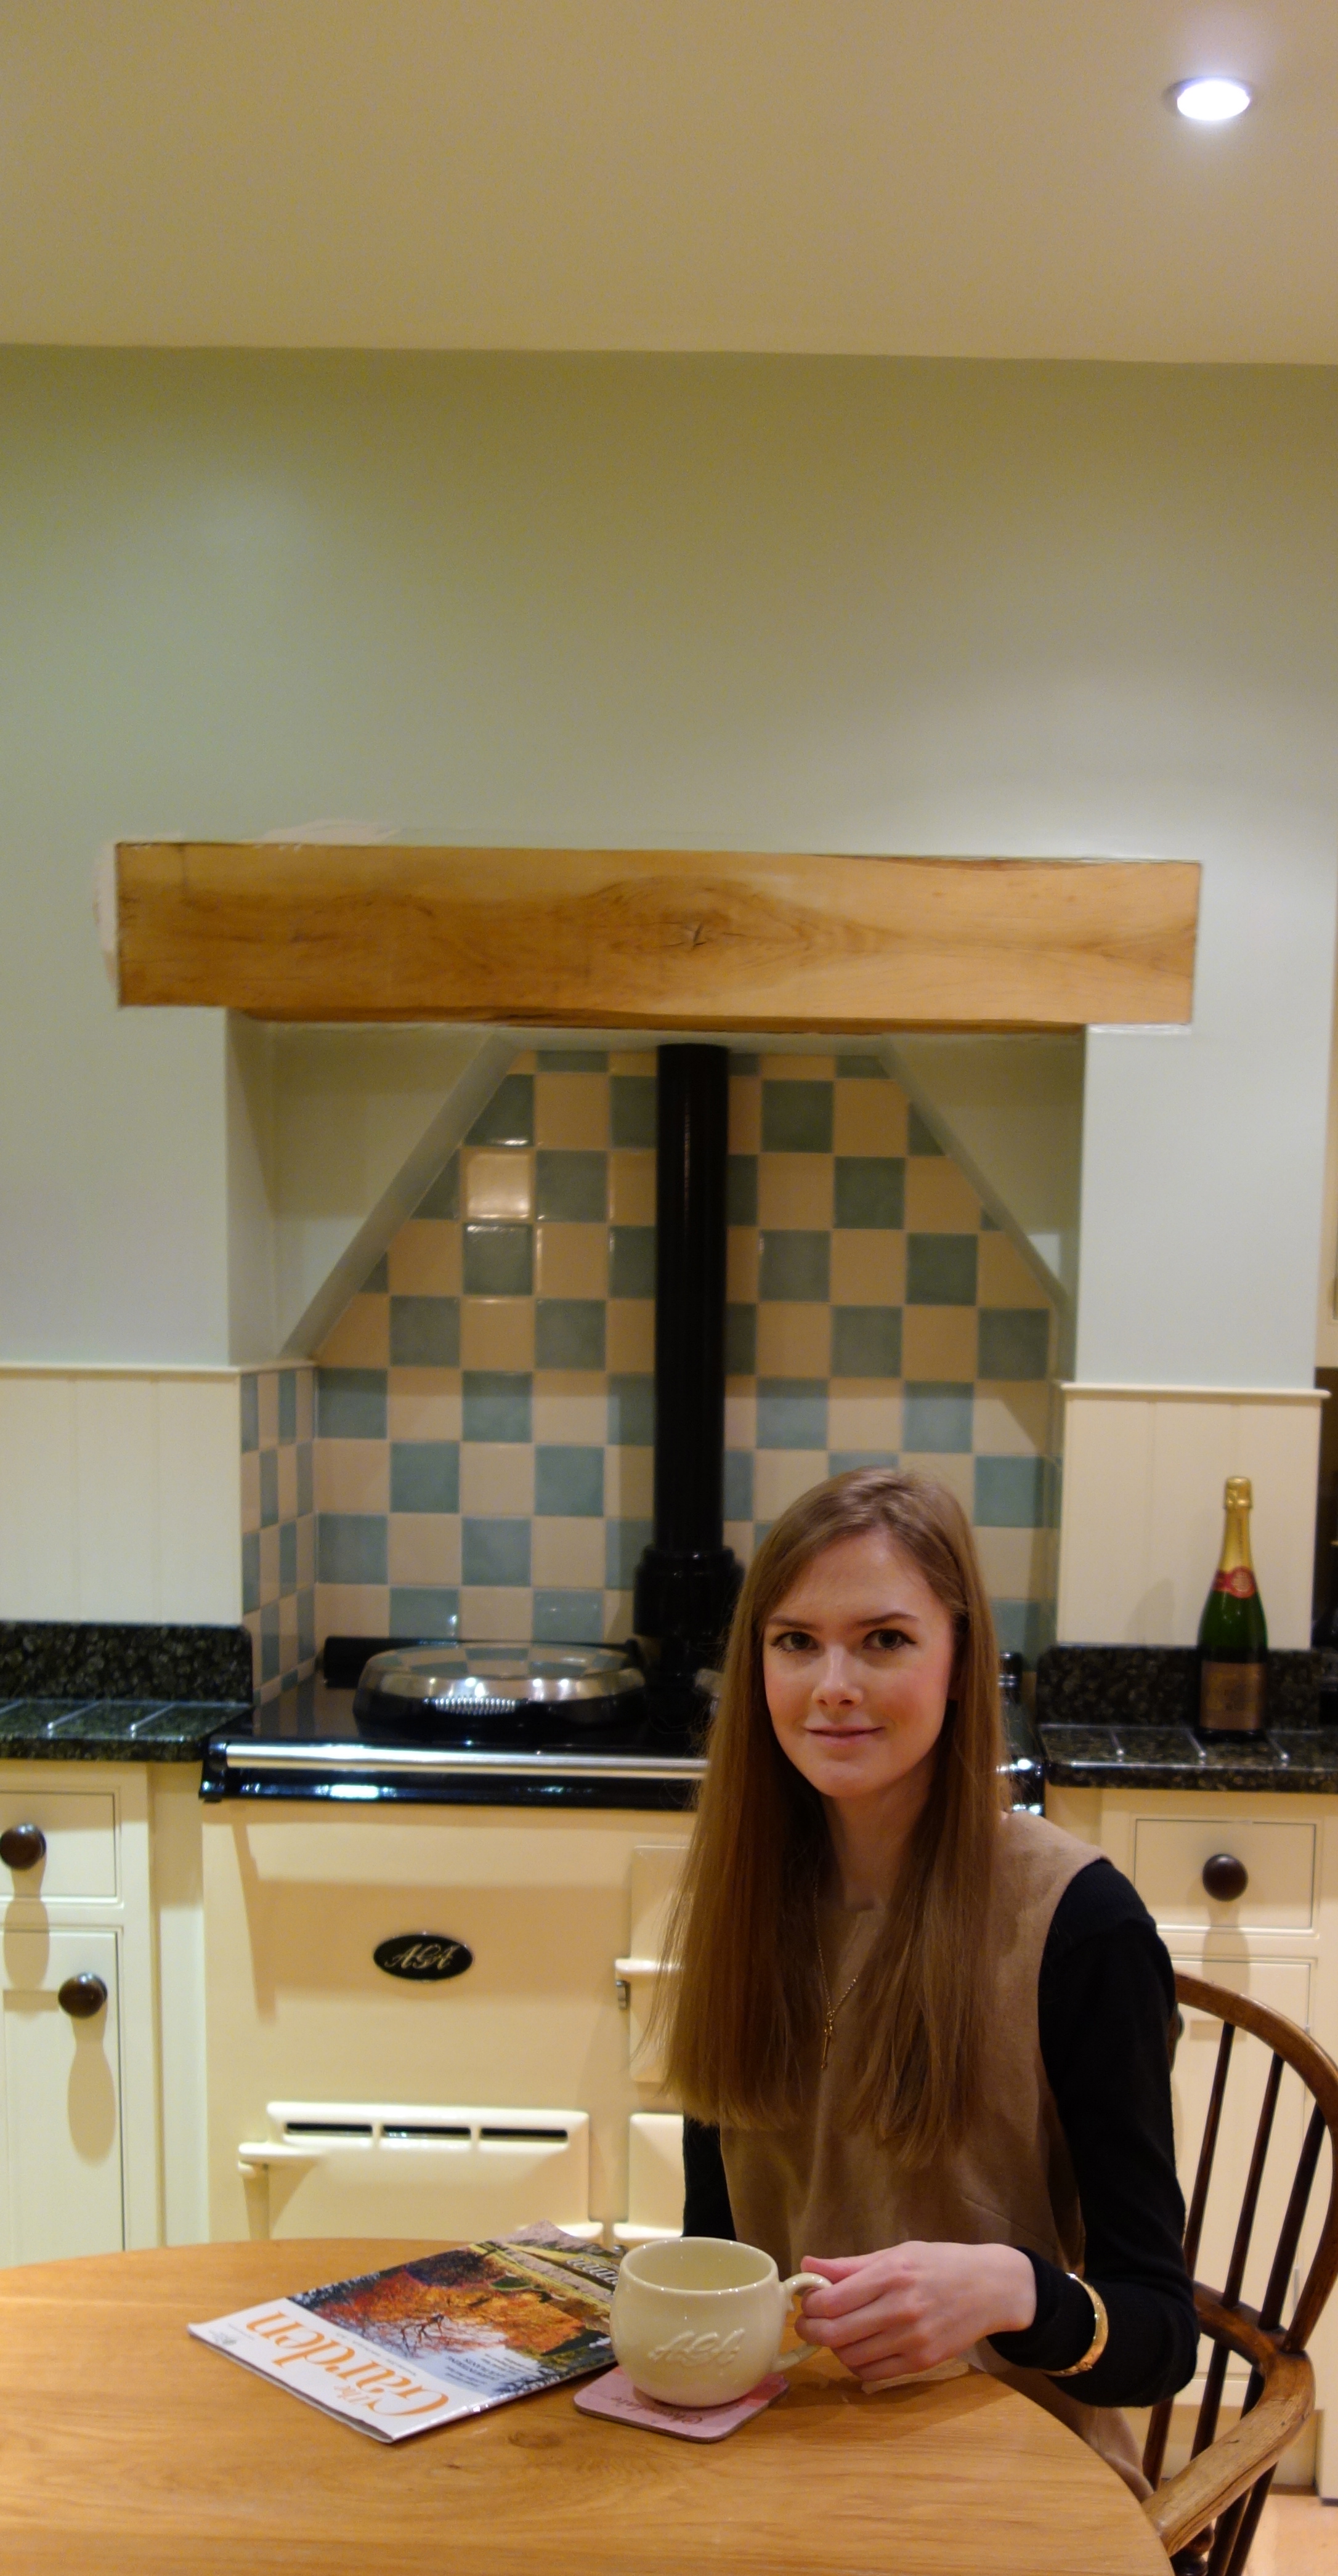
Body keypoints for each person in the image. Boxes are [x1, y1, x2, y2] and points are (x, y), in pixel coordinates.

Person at [662, 1467, 1197, 2495]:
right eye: (796, 1640)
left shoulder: (1080, 1923)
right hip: (786, 2464)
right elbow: (718, 2248)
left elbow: (1160, 2338)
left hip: (1014, 2486)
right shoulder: (741, 1901)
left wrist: (1013, 2290)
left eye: (884, 1639)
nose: (833, 1684)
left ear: (960, 1662)